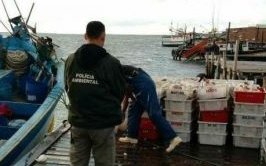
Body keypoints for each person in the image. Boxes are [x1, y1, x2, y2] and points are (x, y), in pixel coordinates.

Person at [64, 21, 125, 166]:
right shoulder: (112, 63)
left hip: (78, 122)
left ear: (85, 36)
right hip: (103, 125)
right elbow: (119, 92)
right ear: (103, 37)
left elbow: (68, 86)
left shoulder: (70, 60)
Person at [118, 65, 182, 153]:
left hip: (144, 85)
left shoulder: (114, 73)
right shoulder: (115, 71)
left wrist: (123, 111)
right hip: (137, 86)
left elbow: (127, 91)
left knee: (154, 113)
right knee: (134, 109)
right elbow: (128, 91)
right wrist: (124, 110)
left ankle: (173, 138)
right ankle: (131, 137)